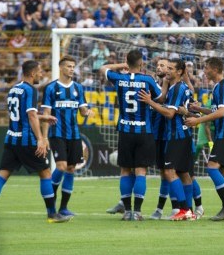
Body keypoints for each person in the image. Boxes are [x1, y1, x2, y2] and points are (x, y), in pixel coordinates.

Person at [0, 60, 70, 224]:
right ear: (32, 73)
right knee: (46, 173)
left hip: (11, 139)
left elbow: (22, 114)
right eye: (40, 72)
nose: (41, 75)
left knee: (2, 175)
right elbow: (30, 116)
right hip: (26, 140)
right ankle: (52, 214)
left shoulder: (14, 89)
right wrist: (41, 139)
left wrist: (43, 116)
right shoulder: (30, 90)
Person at [99, 50, 163, 221]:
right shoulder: (147, 80)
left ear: (127, 62)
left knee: (126, 171)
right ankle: (138, 212)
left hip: (125, 131)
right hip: (144, 131)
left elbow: (103, 67)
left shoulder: (119, 78)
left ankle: (127, 212)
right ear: (141, 63)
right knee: (141, 171)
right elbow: (162, 98)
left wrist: (122, 65)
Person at [138, 59, 196, 221]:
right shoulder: (180, 87)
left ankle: (184, 209)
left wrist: (149, 102)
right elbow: (168, 101)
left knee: (170, 172)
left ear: (179, 72)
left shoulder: (177, 88)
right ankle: (190, 210)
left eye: (171, 68)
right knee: (184, 173)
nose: (167, 71)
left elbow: (169, 114)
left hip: (175, 135)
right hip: (184, 135)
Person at [185, 57, 224, 221]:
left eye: (206, 68)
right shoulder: (220, 87)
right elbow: (216, 111)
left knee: (212, 168)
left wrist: (197, 120)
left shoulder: (223, 86)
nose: (204, 71)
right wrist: (199, 109)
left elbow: (221, 113)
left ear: (215, 69)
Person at [41, 56, 93, 218]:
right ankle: (51, 198)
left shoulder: (78, 88)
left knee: (71, 168)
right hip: (57, 134)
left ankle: (63, 207)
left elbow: (83, 110)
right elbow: (46, 114)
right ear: (61, 68)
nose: (72, 69)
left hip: (74, 135)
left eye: (73, 66)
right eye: (69, 66)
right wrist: (44, 137)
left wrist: (88, 111)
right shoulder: (51, 88)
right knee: (61, 167)